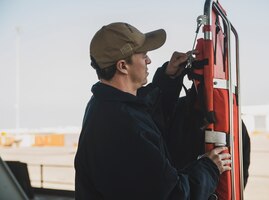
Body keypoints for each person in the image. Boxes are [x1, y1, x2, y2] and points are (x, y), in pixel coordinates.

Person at [74, 22, 232, 200]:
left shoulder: (103, 103)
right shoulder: (125, 128)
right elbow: (172, 195)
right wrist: (209, 167)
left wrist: (168, 77)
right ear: (122, 66)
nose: (149, 60)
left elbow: (144, 112)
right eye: (143, 55)